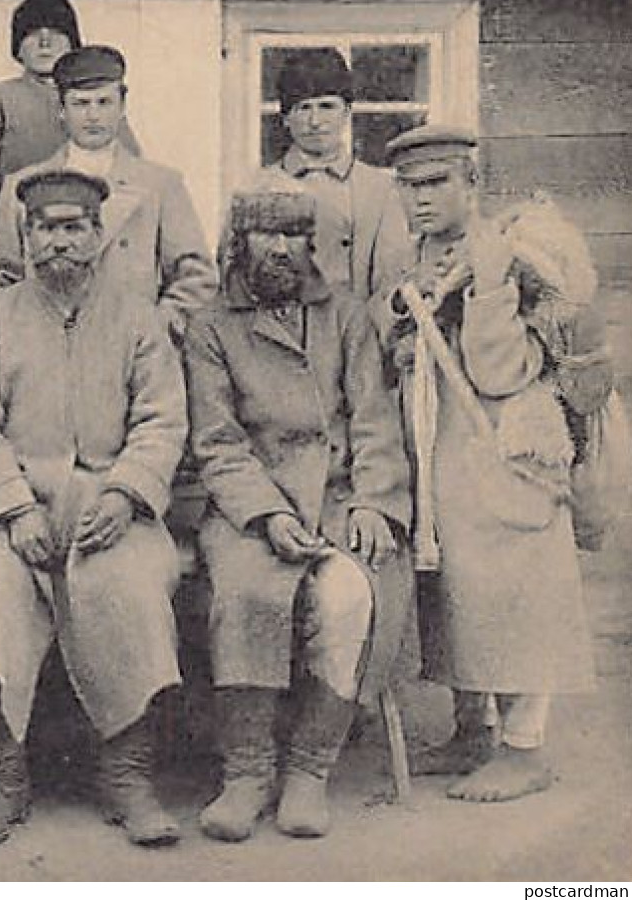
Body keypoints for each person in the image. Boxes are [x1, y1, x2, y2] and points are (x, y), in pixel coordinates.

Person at [0, 170, 187, 848]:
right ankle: (0, 779)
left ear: (97, 235)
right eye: (45, 228)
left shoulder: (136, 315)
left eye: (72, 227)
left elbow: (162, 420)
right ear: (25, 237)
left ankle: (127, 776)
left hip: (108, 505)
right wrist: (11, 507)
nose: (58, 242)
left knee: (132, 590)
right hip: (9, 509)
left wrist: (124, 492)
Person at [184, 188, 413, 841]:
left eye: (291, 235)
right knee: (246, 592)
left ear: (309, 244)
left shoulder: (343, 316)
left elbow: (373, 420)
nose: (278, 249)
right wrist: (265, 516)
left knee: (349, 596)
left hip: (340, 497)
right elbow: (217, 443)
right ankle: (248, 773)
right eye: (263, 235)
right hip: (250, 508)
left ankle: (309, 769)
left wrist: (372, 500)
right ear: (237, 243)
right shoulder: (211, 328)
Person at [380, 124, 597, 803]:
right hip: (442, 435)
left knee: (514, 587)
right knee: (454, 586)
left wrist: (487, 285)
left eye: (435, 184)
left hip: (506, 441)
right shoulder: (422, 253)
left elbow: (498, 369)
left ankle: (523, 747)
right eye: (409, 187)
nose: (420, 199)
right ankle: (471, 729)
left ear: (469, 185)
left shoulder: (504, 250)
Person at [0, 45, 216, 341]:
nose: (93, 116)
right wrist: (27, 334)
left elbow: (197, 277)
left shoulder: (160, 185)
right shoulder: (22, 186)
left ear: (122, 106)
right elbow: (1, 277)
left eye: (104, 102)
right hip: (46, 348)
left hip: (132, 351)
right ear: (61, 110)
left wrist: (155, 327)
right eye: (81, 104)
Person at [0, 0, 139, 247]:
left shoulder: (97, 100)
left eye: (56, 32)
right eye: (33, 33)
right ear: (17, 47)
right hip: (23, 242)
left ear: (73, 43)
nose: (45, 42)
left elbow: (134, 179)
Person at [239, 48, 412, 299]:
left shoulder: (380, 190)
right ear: (285, 118)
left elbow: (391, 285)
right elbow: (239, 284)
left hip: (355, 332)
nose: (315, 121)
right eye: (303, 108)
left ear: (347, 113)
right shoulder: (256, 187)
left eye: (327, 106)